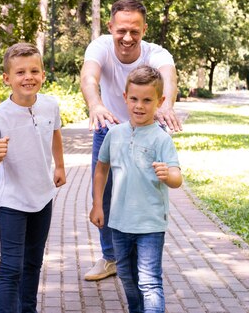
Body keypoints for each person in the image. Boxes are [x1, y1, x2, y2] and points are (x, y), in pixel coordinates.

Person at [80, 0, 182, 281]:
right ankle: (110, 257)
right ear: (111, 26)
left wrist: (167, 105)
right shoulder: (99, 47)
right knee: (104, 193)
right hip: (109, 127)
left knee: (145, 192)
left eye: (134, 31)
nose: (127, 37)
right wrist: (95, 105)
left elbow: (168, 79)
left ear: (144, 29)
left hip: (147, 127)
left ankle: (143, 257)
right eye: (121, 30)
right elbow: (89, 77)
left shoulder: (156, 52)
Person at [0, 43, 66, 313]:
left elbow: (55, 133)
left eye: (34, 71)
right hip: (12, 202)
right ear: (7, 79)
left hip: (43, 197)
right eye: (20, 72)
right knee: (11, 267)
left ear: (42, 75)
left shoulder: (50, 105)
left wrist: (60, 167)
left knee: (33, 264)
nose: (28, 77)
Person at [89, 65, 183, 313]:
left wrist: (168, 175)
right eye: (134, 99)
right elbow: (101, 169)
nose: (139, 105)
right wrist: (98, 204)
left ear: (160, 101)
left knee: (149, 282)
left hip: (150, 224)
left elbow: (177, 177)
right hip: (118, 223)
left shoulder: (161, 138)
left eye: (147, 100)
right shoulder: (114, 134)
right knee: (128, 280)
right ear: (125, 98)